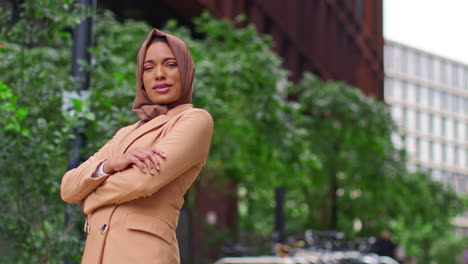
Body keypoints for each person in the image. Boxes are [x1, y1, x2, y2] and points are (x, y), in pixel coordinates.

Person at [61, 28, 213, 263]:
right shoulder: (126, 133)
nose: (159, 75)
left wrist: (88, 199)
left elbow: (143, 181)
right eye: (148, 68)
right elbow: (69, 188)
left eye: (170, 65)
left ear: (185, 70)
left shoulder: (194, 120)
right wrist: (109, 165)